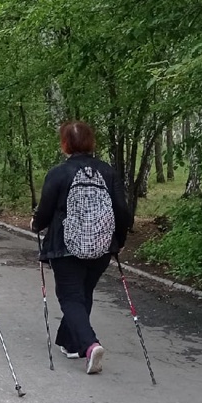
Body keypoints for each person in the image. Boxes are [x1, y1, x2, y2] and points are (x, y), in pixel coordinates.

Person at [31, 120, 129, 375]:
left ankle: (89, 345)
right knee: (83, 293)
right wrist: (117, 241)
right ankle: (71, 343)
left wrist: (36, 225)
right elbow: (122, 210)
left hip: (66, 247)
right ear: (90, 142)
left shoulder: (58, 173)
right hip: (102, 246)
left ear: (65, 144)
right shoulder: (108, 172)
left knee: (71, 297)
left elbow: (45, 210)